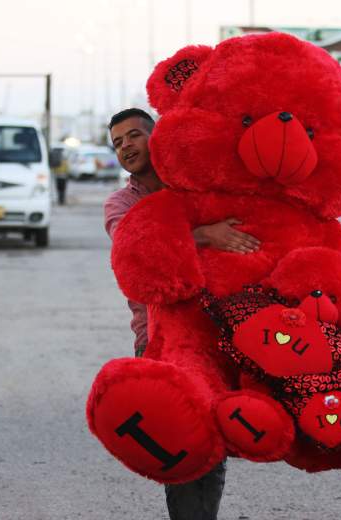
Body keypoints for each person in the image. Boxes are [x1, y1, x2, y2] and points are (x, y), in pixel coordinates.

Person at [103, 107, 260, 520]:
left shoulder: (198, 187)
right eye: (118, 143)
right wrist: (206, 235)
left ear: (159, 137)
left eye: (134, 135)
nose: (126, 147)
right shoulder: (121, 204)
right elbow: (136, 251)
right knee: (183, 445)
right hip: (158, 340)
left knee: (213, 443)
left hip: (218, 333)